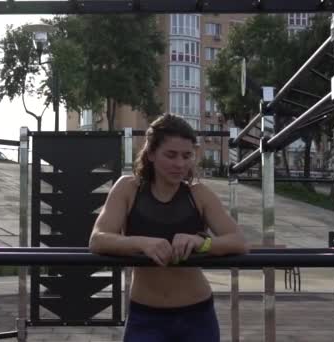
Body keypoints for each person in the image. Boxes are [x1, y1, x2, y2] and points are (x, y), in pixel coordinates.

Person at [88, 114, 248, 342]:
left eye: (187, 156)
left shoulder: (198, 194)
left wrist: (202, 243)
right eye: (171, 155)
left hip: (197, 316)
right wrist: (141, 243)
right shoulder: (128, 189)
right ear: (151, 153)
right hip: (146, 316)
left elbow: (239, 241)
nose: (180, 164)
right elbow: (97, 239)